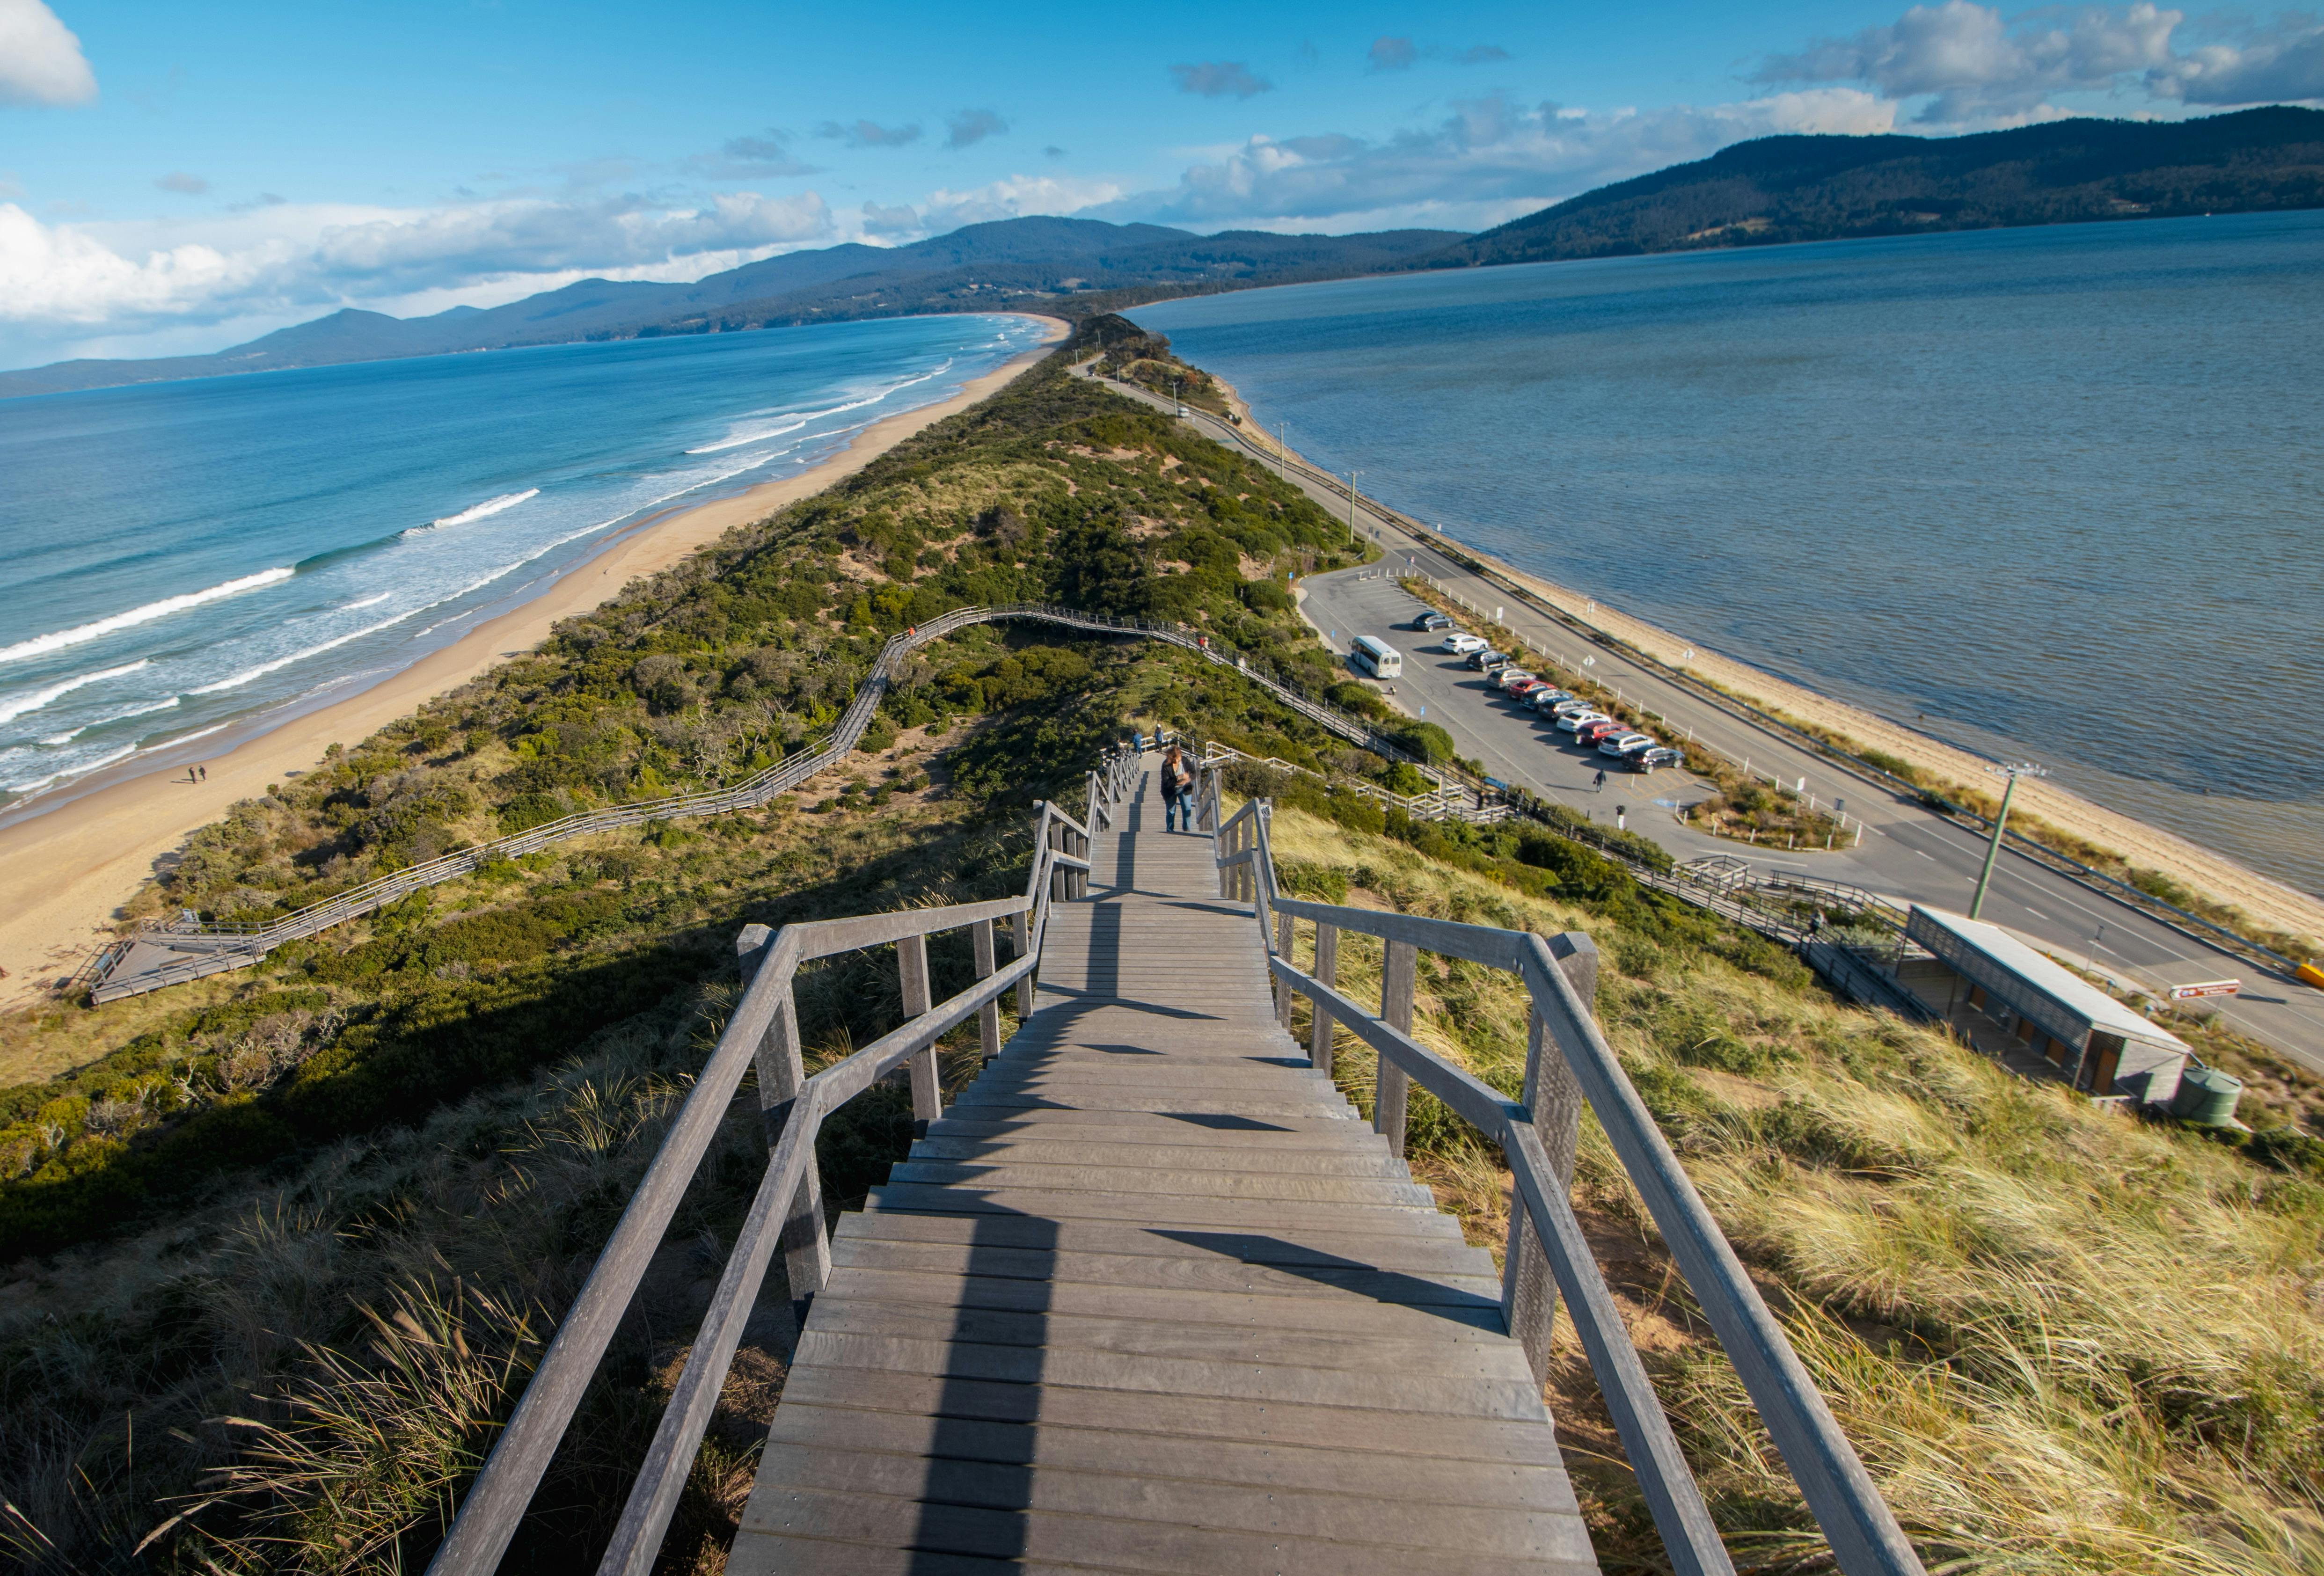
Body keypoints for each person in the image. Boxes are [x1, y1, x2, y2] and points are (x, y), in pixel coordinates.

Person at [1161, 744, 1196, 832]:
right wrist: (1179, 778)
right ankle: (1170, 830)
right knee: (1171, 811)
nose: (1177, 760)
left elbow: (1194, 773)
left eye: (1178, 758)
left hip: (1185, 789)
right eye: (1175, 759)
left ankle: (1187, 830)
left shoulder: (1185, 760)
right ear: (1171, 758)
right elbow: (1166, 783)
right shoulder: (1166, 765)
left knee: (1187, 809)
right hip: (1170, 791)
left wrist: (1188, 780)